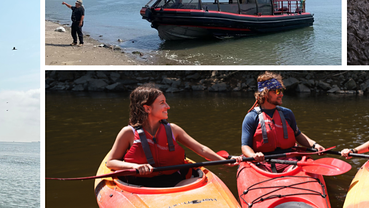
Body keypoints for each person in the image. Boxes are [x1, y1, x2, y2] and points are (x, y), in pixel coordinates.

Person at [104, 84, 241, 187]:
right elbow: (110, 162)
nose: (168, 106)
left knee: (196, 182)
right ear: (147, 108)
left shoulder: (173, 129)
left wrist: (226, 161)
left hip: (176, 181)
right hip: (140, 184)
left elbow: (201, 150)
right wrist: (134, 166)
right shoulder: (128, 133)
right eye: (162, 103)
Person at [241, 72, 325, 172]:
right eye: (277, 91)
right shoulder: (251, 117)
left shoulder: (287, 114)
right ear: (265, 93)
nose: (281, 94)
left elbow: (298, 134)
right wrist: (253, 155)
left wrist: (315, 145)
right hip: (263, 162)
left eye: (281, 91)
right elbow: (245, 146)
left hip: (289, 159)